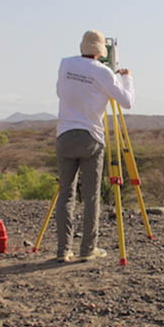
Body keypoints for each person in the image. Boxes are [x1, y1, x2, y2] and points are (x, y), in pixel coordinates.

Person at [53, 30, 134, 262]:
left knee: (65, 195)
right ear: (101, 51)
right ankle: (87, 249)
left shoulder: (65, 64)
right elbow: (127, 102)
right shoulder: (103, 72)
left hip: (64, 136)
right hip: (90, 137)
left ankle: (63, 250)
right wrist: (125, 79)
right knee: (91, 196)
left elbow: (60, 91)